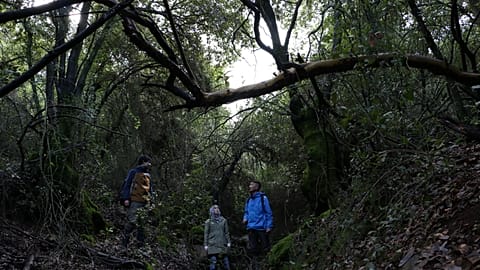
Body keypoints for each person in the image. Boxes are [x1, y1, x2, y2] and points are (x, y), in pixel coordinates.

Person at [119, 154, 153, 249]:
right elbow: (127, 184)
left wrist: (152, 200)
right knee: (132, 222)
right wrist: (126, 198)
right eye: (148, 162)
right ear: (143, 162)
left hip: (145, 202)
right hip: (134, 201)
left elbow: (150, 189)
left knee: (142, 225)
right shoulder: (133, 172)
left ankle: (140, 247)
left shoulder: (148, 175)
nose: (149, 164)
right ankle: (123, 244)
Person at [243, 180, 273, 258]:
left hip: (261, 228)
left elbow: (268, 213)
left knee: (265, 248)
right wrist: (245, 218)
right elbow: (246, 212)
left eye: (251, 185)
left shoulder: (263, 198)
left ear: (256, 187)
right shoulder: (249, 200)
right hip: (251, 228)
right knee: (253, 250)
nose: (249, 186)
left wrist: (269, 226)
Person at [204, 204, 231, 270]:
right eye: (215, 208)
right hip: (212, 245)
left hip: (222, 244)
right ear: (212, 211)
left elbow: (226, 232)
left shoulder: (224, 220)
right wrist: (205, 244)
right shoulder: (208, 222)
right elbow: (206, 233)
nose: (217, 209)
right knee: (213, 263)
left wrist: (228, 242)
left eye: (217, 208)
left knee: (226, 263)